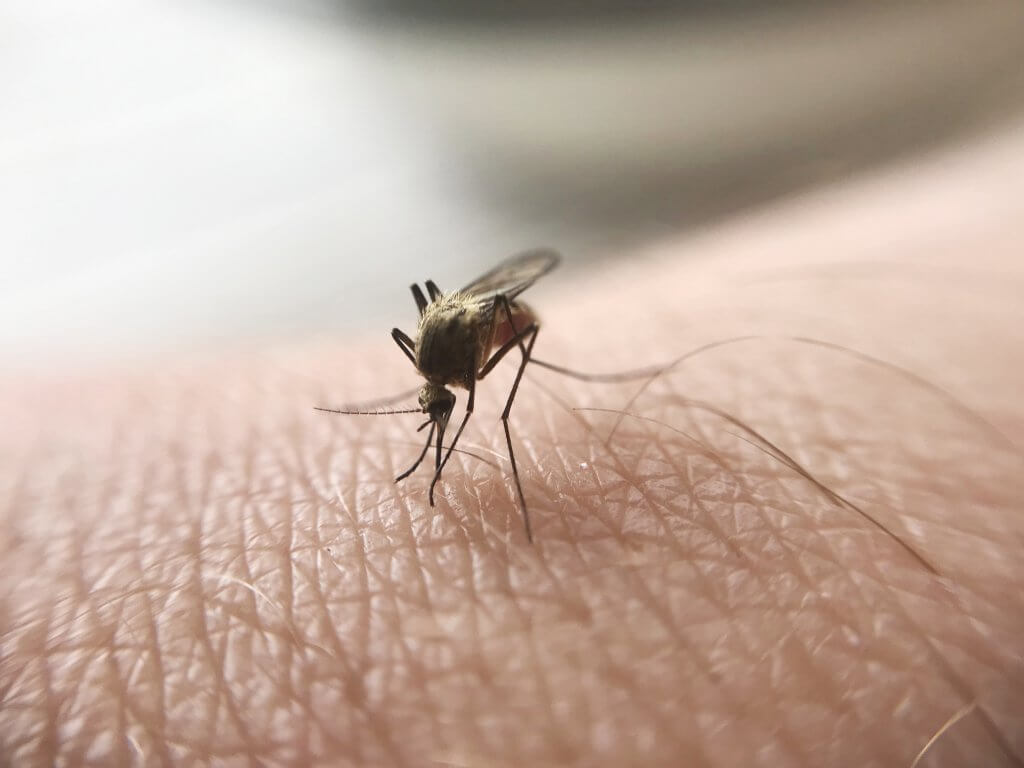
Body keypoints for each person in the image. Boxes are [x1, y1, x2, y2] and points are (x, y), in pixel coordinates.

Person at [2, 124, 1023, 767]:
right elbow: (435, 336)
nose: (433, 408)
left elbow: (493, 308)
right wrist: (437, 386)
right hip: (465, 325)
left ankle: (496, 404)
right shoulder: (428, 355)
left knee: (483, 396)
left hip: (505, 321)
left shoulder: (475, 343)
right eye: (432, 403)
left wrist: (480, 379)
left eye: (432, 407)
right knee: (444, 371)